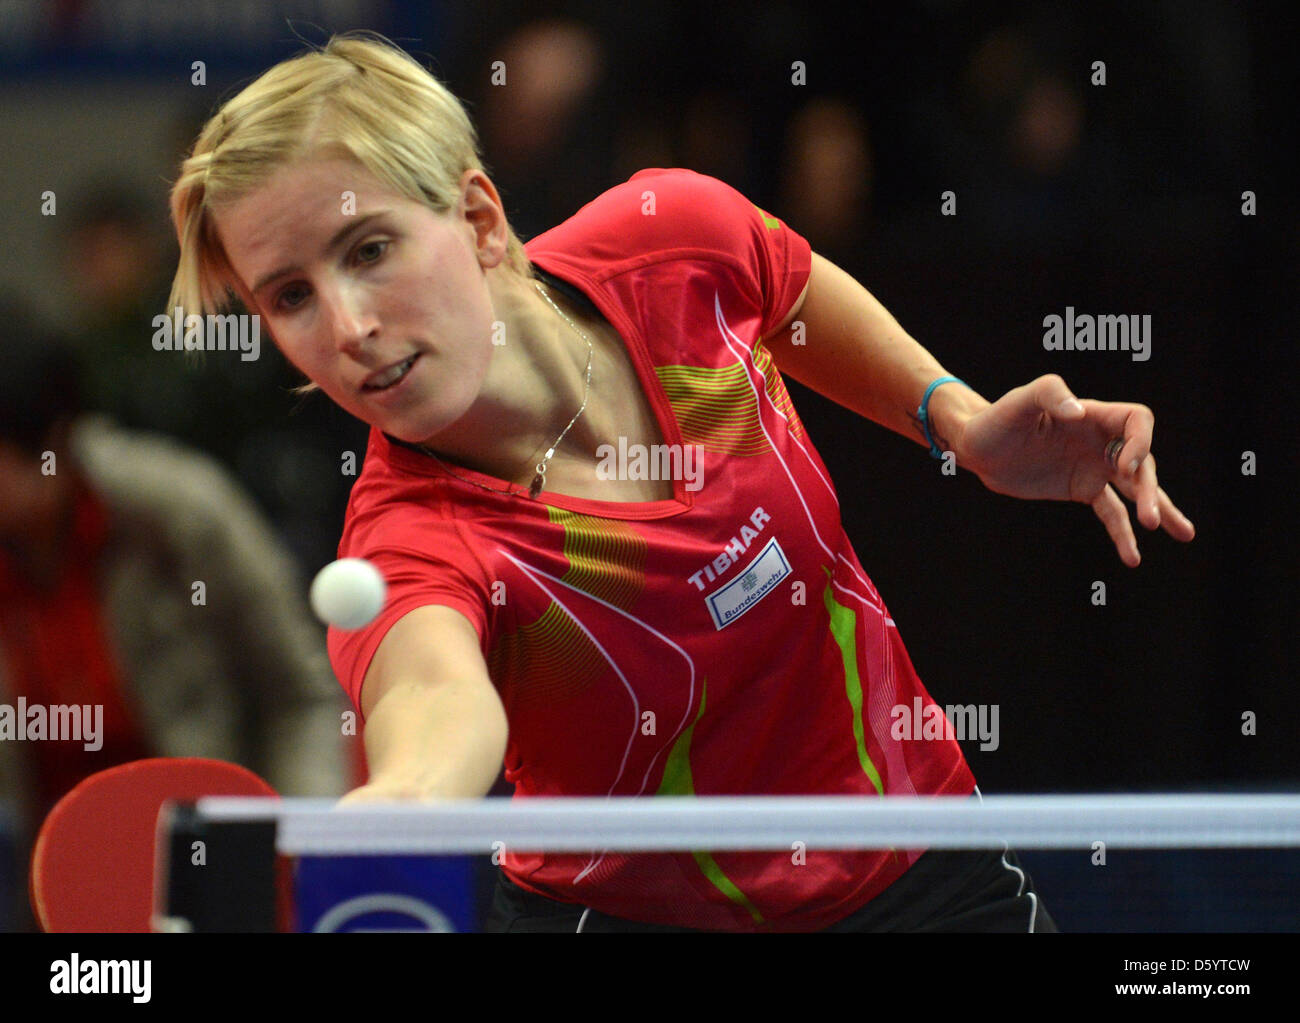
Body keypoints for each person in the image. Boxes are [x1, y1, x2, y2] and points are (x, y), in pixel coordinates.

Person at [166, 33, 1194, 933]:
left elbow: (787, 291)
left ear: (479, 219)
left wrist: (957, 421)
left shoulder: (668, 238)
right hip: (627, 919)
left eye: (370, 249)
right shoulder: (410, 541)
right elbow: (435, 695)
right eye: (290, 297)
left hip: (912, 852)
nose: (346, 331)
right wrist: (407, 797)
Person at [0, 300, 351, 926]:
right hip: (37, 887)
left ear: (50, 442)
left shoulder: (180, 509)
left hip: (212, 877)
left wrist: (293, 851)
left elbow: (299, 695)